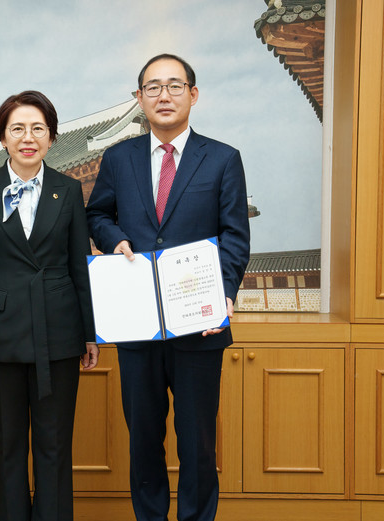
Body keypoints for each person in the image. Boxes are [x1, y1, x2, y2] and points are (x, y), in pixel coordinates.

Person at [86, 54, 250, 521]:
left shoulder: (223, 158)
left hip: (199, 324)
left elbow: (235, 235)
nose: (164, 95)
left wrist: (224, 294)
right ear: (139, 98)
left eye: (175, 86)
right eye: (153, 87)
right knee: (143, 440)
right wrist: (113, 239)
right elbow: (97, 214)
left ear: (193, 95)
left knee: (198, 443)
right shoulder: (118, 158)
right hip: (137, 326)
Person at [0, 90, 99, 521]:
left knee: (55, 446)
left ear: (51, 137)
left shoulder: (68, 190)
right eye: (17, 128)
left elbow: (80, 265)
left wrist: (90, 333)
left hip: (59, 331)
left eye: (38, 128)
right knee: (8, 446)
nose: (28, 137)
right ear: (3, 137)